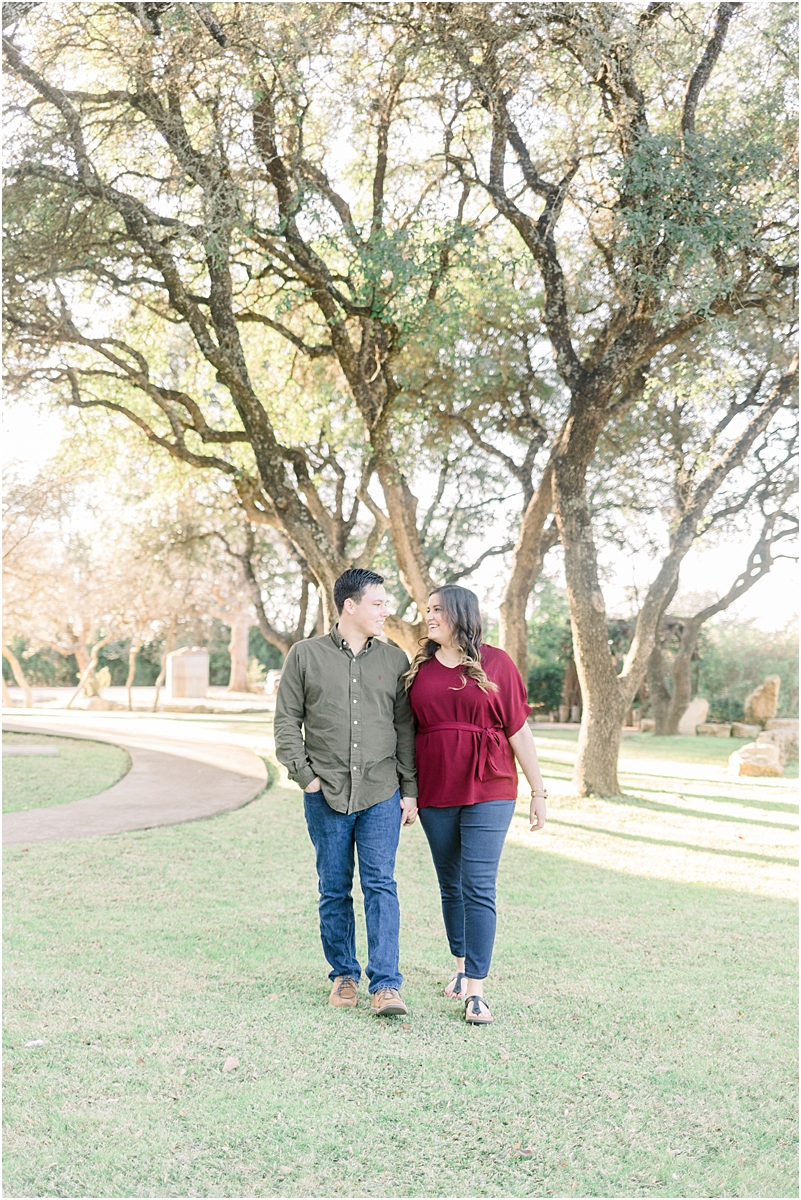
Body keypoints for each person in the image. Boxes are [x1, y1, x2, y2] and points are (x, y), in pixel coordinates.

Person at [274, 567, 418, 1017]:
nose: (385, 611)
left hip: (380, 791)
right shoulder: (304, 655)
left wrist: (408, 789)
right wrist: (307, 778)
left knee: (381, 885)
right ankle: (343, 975)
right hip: (326, 792)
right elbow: (285, 722)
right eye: (377, 603)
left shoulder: (395, 660)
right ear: (350, 606)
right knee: (334, 888)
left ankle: (387, 984)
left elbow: (404, 728)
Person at [406, 584, 547, 1025]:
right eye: (426, 610)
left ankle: (477, 992)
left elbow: (519, 730)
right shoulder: (419, 669)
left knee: (478, 885)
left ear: (460, 614)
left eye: (437, 611)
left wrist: (539, 791)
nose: (429, 617)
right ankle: (460, 966)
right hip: (436, 787)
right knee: (451, 884)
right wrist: (406, 790)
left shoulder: (496, 662)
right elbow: (405, 732)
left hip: (490, 786)